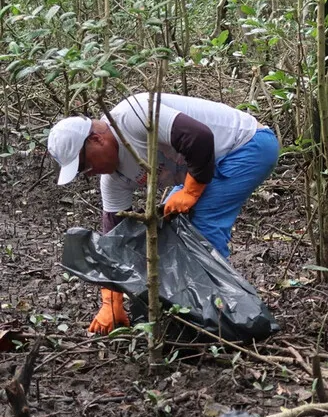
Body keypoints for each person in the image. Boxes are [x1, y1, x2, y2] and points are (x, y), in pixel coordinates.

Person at [48, 93, 279, 334]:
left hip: (247, 145)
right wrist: (111, 303)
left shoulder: (132, 116)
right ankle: (188, 311)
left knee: (199, 230)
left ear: (96, 139)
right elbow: (114, 240)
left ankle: (221, 321)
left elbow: (199, 137)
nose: (89, 173)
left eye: (84, 165)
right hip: (205, 163)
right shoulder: (113, 181)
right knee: (167, 227)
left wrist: (190, 191)